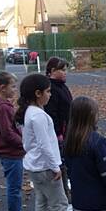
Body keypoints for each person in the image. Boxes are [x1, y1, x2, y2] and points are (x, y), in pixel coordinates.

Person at [15, 73, 77, 211]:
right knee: (59, 203)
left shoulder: (28, 112)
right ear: (37, 93)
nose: (50, 95)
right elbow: (45, 144)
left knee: (42, 202)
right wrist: (55, 166)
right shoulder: (38, 116)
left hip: (35, 166)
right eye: (48, 91)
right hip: (45, 167)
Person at [0, 72, 37, 211]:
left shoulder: (3, 105)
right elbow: (7, 133)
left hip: (11, 152)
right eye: (13, 86)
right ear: (2, 88)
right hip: (10, 153)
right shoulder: (2, 108)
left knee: (15, 184)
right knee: (14, 185)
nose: (15, 89)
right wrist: (24, 143)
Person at [44, 57, 73, 202]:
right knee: (60, 163)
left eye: (65, 69)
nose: (65, 72)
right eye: (62, 70)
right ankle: (64, 193)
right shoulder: (52, 88)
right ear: (52, 71)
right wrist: (58, 133)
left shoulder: (62, 86)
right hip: (59, 132)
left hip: (67, 129)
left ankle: (67, 190)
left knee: (66, 162)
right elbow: (52, 112)